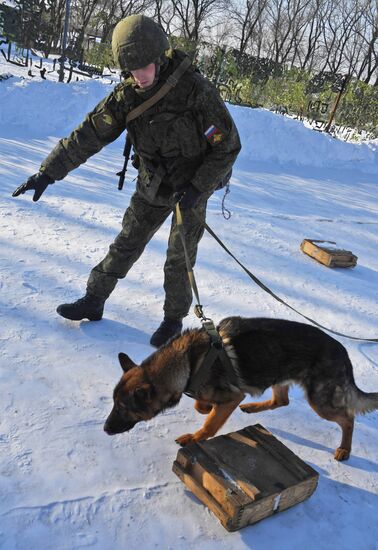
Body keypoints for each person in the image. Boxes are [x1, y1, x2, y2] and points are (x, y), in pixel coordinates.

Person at [12, 14, 241, 347]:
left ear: (161, 58)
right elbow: (87, 136)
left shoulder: (195, 92)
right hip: (152, 183)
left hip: (191, 188)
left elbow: (228, 147)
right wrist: (47, 173)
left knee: (180, 257)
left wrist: (196, 189)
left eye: (143, 68)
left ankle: (172, 319)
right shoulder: (127, 97)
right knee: (126, 242)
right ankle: (94, 299)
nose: (138, 77)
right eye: (130, 71)